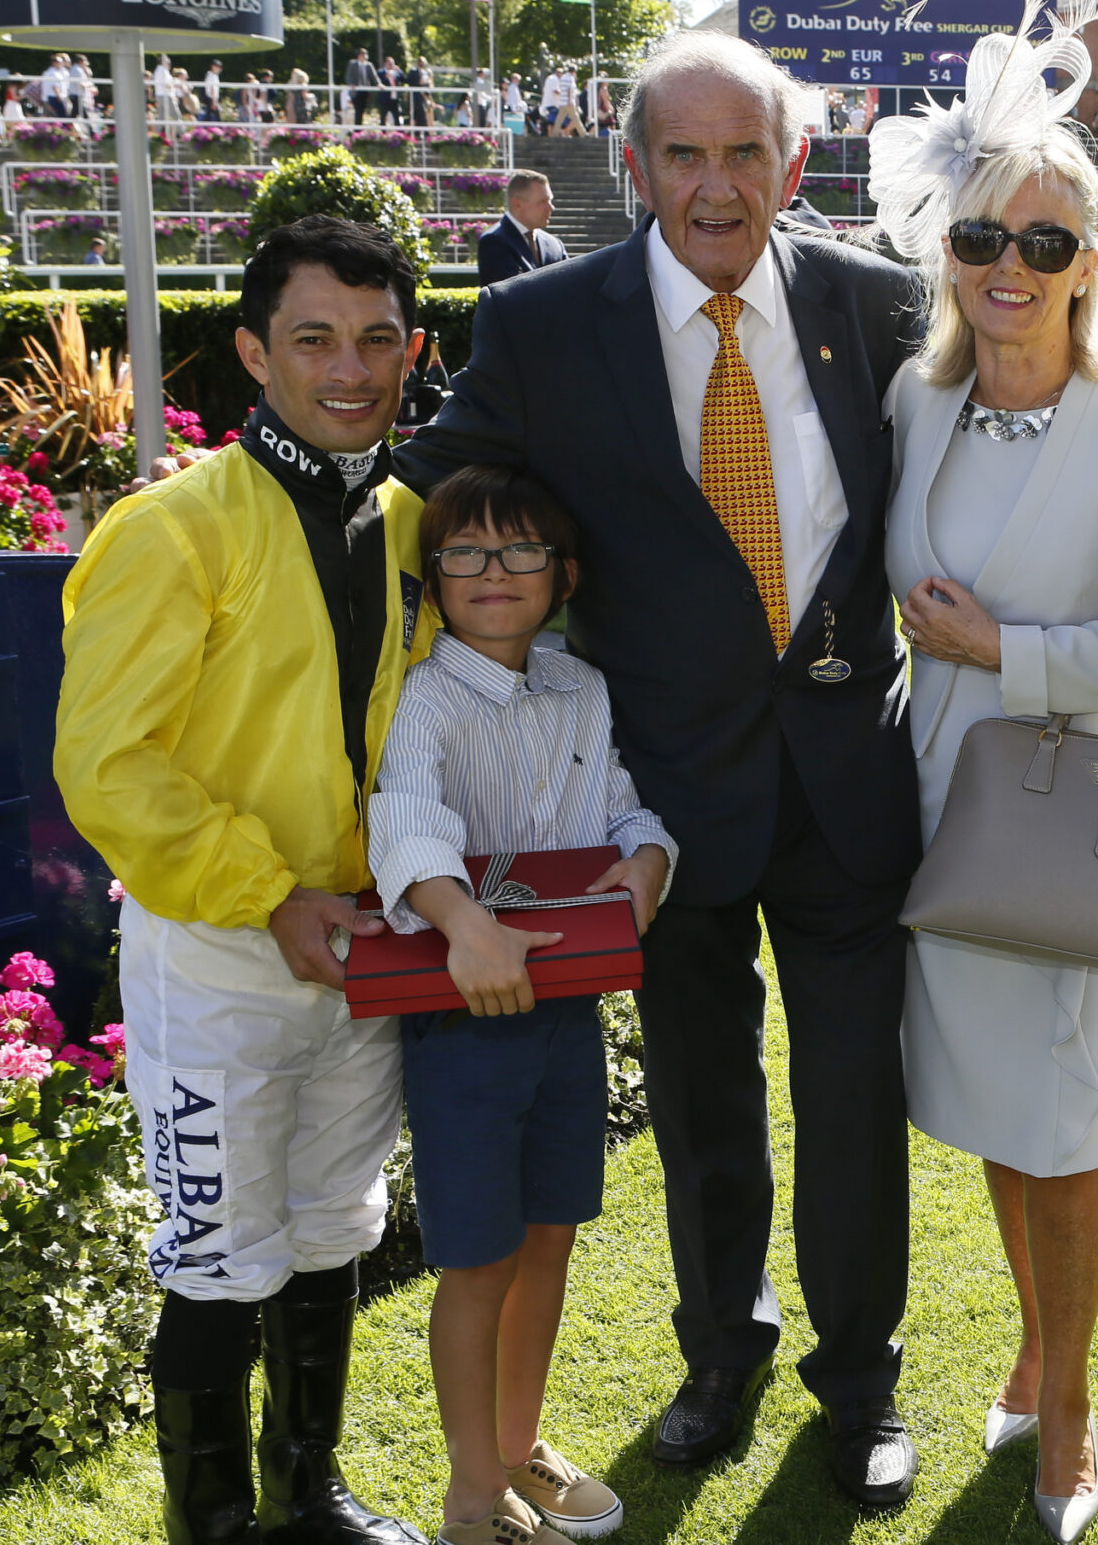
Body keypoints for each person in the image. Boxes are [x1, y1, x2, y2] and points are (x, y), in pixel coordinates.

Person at [396, 30, 1098, 1514]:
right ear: (632, 167)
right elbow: (423, 485)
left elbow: (1019, 373)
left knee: (850, 1102)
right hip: (661, 804)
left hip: (857, 787)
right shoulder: (542, 324)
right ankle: (720, 1355)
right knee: (704, 1105)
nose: (717, 185)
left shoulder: (881, 304)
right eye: (685, 155)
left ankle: (863, 1380)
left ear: (795, 166)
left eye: (746, 153)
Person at [56, 215, 439, 1545]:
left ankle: (309, 1489)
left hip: (371, 950)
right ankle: (212, 1518)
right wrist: (269, 890)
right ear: (253, 355)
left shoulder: (413, 526)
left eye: (379, 337)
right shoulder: (169, 529)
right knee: (218, 1252)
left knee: (335, 1226)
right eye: (316, 338)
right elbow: (108, 766)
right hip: (226, 951)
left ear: (414, 349)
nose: (352, 365)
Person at [872, 19, 1098, 1544]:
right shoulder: (909, 403)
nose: (1009, 263)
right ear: (948, 249)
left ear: (1088, 258)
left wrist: (1011, 647)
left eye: (1044, 239)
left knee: (1073, 1123)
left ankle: (1069, 1413)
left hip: (1080, 815)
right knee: (1010, 1112)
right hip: (942, 806)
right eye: (983, 234)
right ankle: (1033, 1345)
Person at [370, 464, 673, 1545]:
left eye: (520, 553)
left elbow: (624, 806)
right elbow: (403, 815)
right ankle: (468, 1498)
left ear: (564, 574)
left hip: (566, 1010)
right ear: (432, 577)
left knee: (548, 1236)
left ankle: (515, 1447)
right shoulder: (420, 695)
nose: (492, 574)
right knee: (478, 1255)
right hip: (462, 1020)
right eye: (464, 554)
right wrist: (463, 925)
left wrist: (645, 862)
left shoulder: (578, 686)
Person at [478, 172, 567, 286]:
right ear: (518, 204)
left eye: (550, 200)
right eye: (542, 202)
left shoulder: (555, 245)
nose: (551, 207)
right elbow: (512, 296)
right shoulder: (494, 242)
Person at [347, 50, 378, 125]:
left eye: (366, 55)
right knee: (358, 109)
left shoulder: (369, 65)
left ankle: (359, 129)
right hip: (356, 91)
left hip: (365, 91)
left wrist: (379, 84)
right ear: (359, 56)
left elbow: (374, 76)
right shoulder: (352, 64)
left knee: (362, 110)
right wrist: (351, 84)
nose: (365, 57)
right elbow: (348, 76)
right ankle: (357, 130)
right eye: (363, 55)